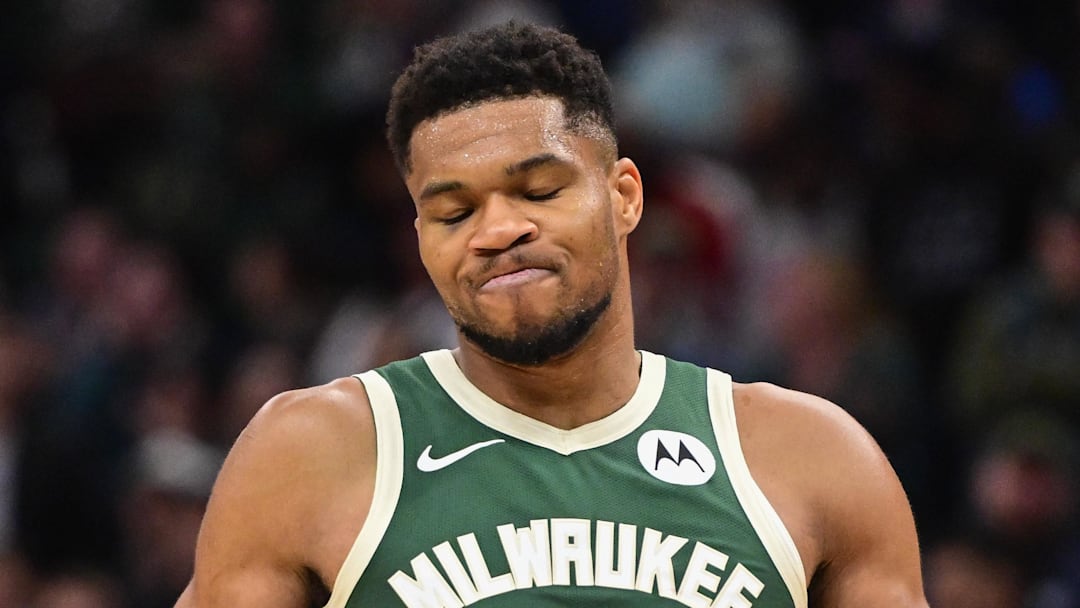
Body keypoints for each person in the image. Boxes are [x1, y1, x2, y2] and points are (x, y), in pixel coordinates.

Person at [175, 21, 928, 607]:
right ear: (420, 240)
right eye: (453, 210)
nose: (497, 230)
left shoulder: (811, 458)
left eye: (538, 191)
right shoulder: (309, 455)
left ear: (625, 196)